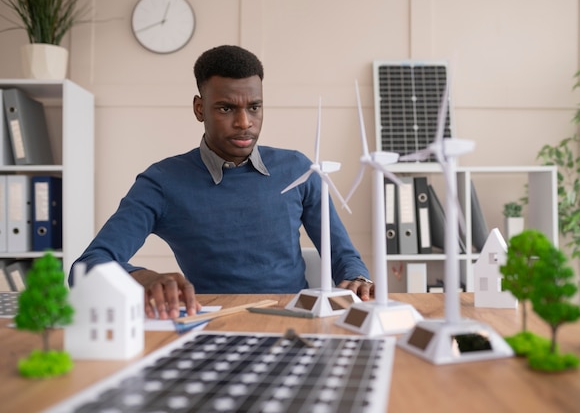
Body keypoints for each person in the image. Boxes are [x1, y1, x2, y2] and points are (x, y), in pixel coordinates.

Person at [72, 45, 374, 319]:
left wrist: (358, 278)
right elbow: (85, 267)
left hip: (295, 322)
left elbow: (342, 255)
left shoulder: (298, 168)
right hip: (212, 324)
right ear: (199, 108)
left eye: (254, 107)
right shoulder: (163, 182)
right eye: (226, 108)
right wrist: (145, 279)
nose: (244, 122)